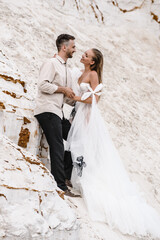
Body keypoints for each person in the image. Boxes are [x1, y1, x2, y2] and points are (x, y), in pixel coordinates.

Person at [67, 48, 160, 237]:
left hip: (87, 116)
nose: (82, 56)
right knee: (75, 146)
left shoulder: (93, 74)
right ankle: (74, 176)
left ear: (92, 62)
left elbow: (95, 98)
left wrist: (76, 99)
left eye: (86, 55)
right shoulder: (81, 72)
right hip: (76, 114)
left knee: (82, 146)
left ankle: (83, 179)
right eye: (83, 53)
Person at [34, 34, 79, 197]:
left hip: (57, 112)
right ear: (64, 47)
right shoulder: (51, 63)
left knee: (76, 137)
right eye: (73, 46)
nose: (75, 49)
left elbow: (66, 96)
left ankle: (66, 176)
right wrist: (63, 89)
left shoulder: (66, 68)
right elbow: (43, 85)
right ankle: (60, 186)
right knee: (58, 145)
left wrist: (83, 101)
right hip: (47, 110)